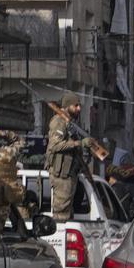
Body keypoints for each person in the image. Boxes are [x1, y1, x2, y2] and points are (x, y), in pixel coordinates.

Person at [46, 93, 95, 221]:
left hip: (70, 175)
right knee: (61, 216)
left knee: (67, 214)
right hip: (61, 175)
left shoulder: (70, 123)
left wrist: (86, 148)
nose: (79, 108)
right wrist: (79, 143)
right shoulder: (58, 121)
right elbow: (55, 145)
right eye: (76, 105)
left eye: (79, 105)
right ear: (67, 106)